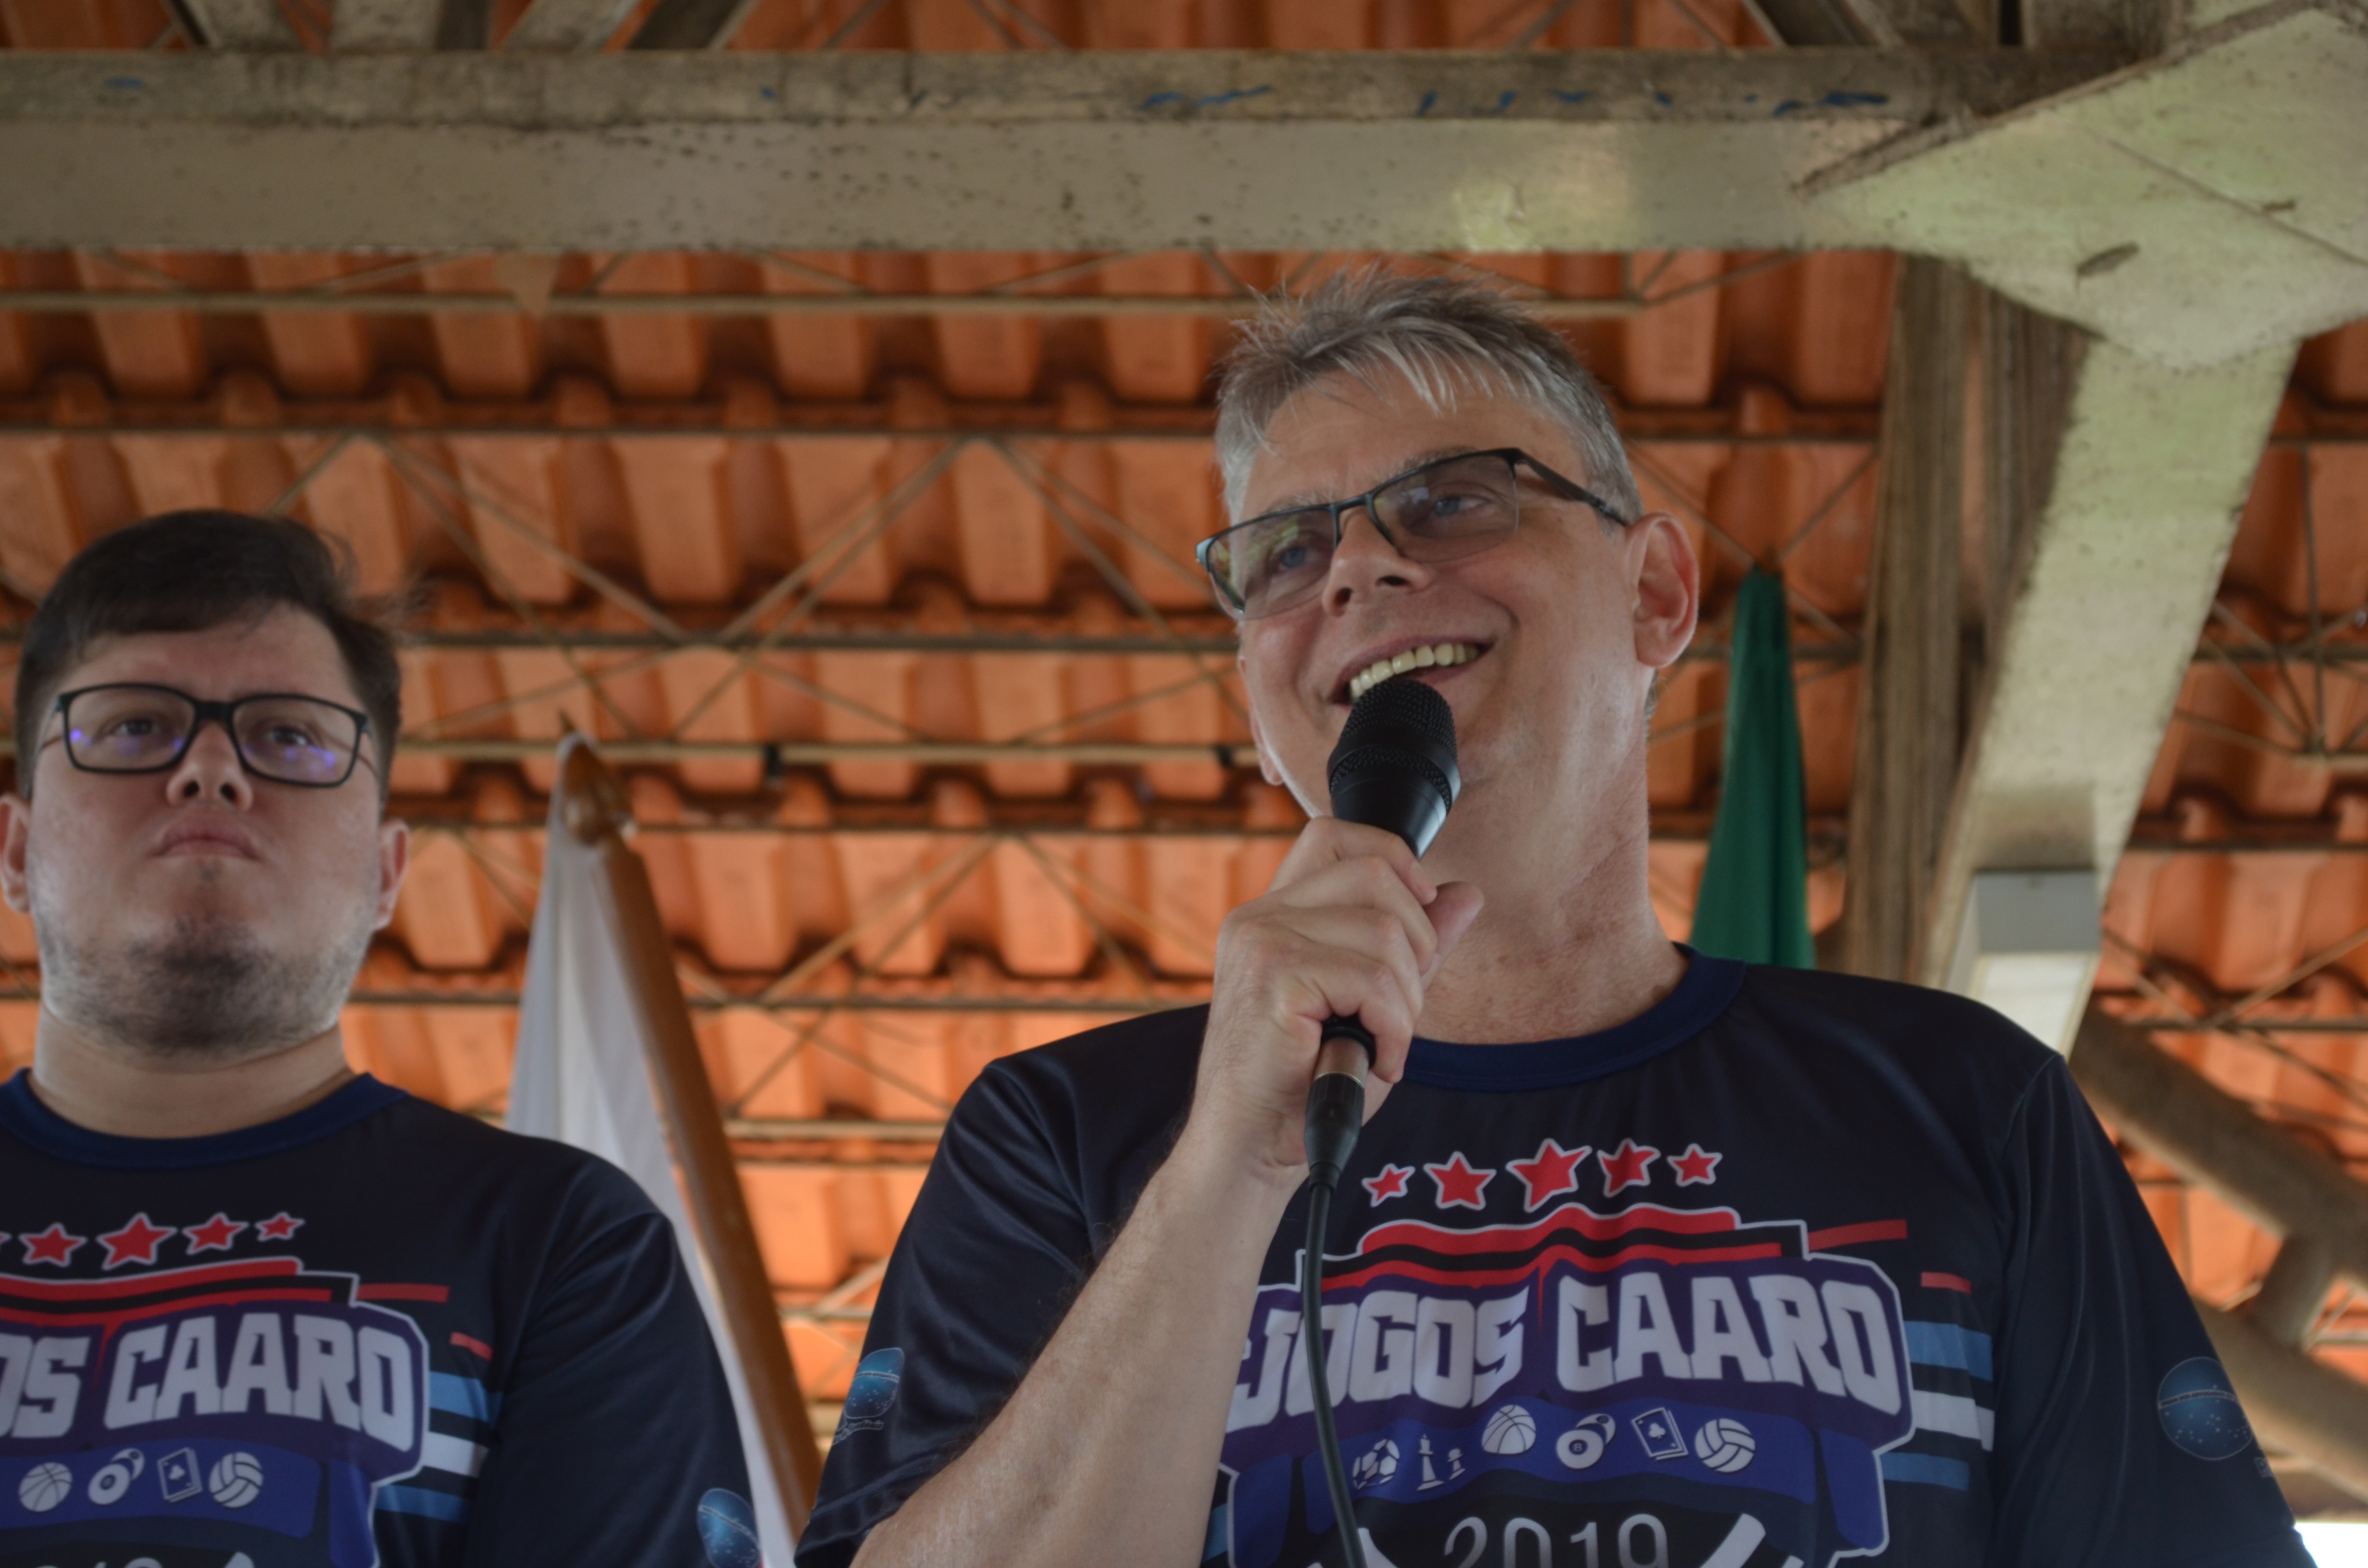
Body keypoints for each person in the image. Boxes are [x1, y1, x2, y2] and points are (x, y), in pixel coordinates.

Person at [795, 274, 2310, 1568]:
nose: (1362, 566)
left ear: (1656, 595)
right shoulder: (1063, 1136)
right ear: (1256, 692)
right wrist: (1223, 1173)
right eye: (1288, 553)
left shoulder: (1966, 1104)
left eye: (1455, 499)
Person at [0, 512, 755, 1568]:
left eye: (288, 736)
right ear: (17, 848)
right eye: (132, 725)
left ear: (386, 873)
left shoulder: (560, 1245)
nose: (209, 768)